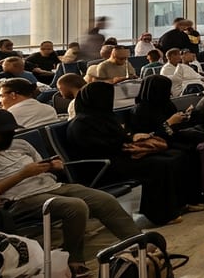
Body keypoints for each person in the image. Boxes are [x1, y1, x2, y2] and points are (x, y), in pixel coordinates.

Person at [0, 109, 141, 278]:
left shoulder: (21, 144)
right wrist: (22, 174)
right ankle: (73, 259)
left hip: (50, 185)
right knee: (74, 206)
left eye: (10, 132)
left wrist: (52, 166)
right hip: (18, 200)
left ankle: (137, 241)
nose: (8, 136)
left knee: (102, 199)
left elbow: (39, 165)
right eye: (3, 133)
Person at [66, 82, 189, 225]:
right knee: (158, 165)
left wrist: (131, 139)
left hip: (118, 157)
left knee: (166, 159)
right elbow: (97, 148)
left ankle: (170, 208)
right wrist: (126, 143)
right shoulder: (81, 124)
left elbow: (118, 138)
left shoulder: (102, 117)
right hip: (101, 166)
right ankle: (160, 214)